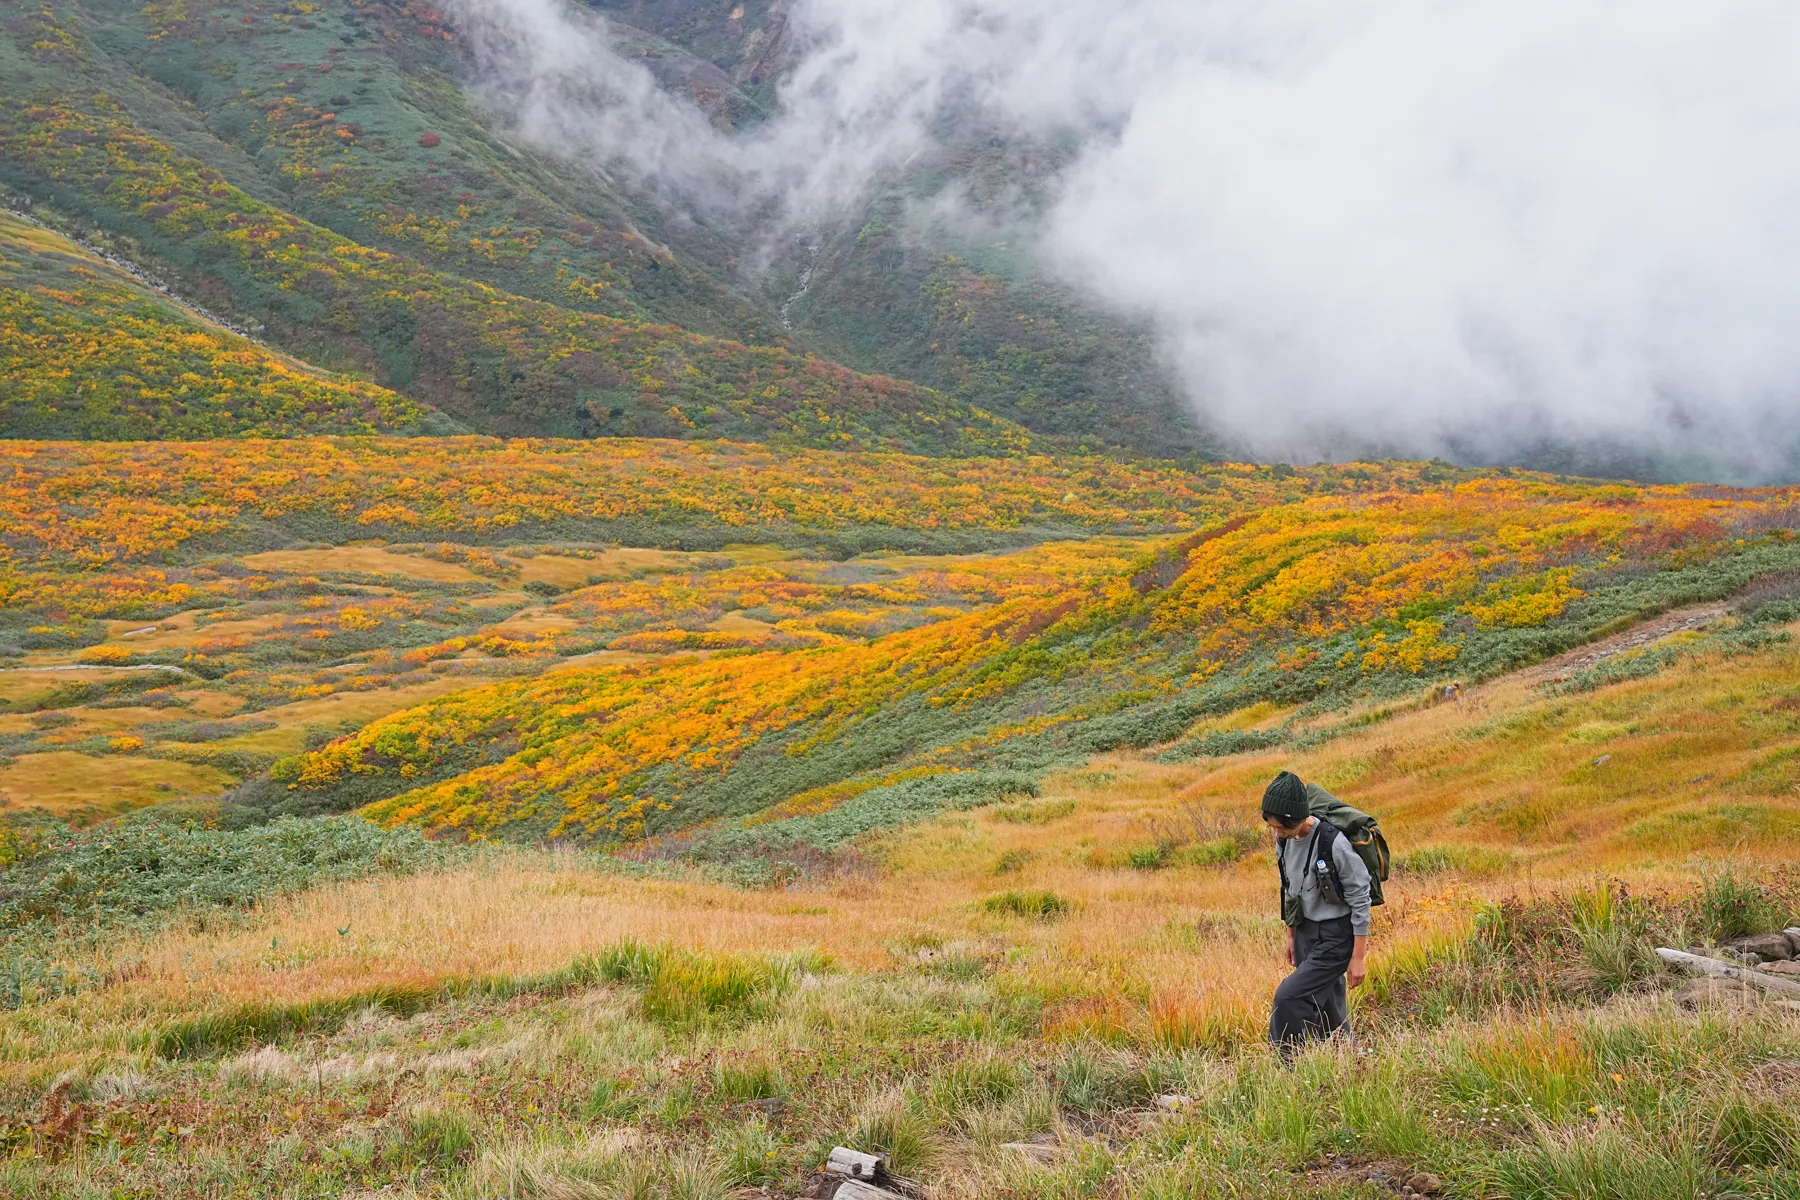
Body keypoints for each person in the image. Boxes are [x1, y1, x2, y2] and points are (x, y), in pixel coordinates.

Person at [1261, 770, 1372, 1056]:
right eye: (1272, 828)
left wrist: (1358, 957)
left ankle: (1289, 1066)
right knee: (1328, 1004)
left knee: (1289, 997)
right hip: (1305, 931)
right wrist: (1291, 935)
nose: (1277, 834)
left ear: (1296, 818)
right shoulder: (1284, 840)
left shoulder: (1333, 843)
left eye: (1281, 828)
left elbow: (1361, 897)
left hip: (1336, 938)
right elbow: (1289, 887)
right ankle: (1346, 1061)